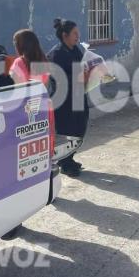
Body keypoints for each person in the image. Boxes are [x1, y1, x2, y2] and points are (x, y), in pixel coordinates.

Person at [47, 18, 89, 177]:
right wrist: (78, 77)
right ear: (65, 35)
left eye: (78, 33)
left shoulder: (76, 50)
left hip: (78, 96)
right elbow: (58, 79)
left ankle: (70, 158)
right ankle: (64, 163)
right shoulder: (56, 54)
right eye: (75, 34)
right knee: (67, 131)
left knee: (79, 129)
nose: (78, 36)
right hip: (64, 101)